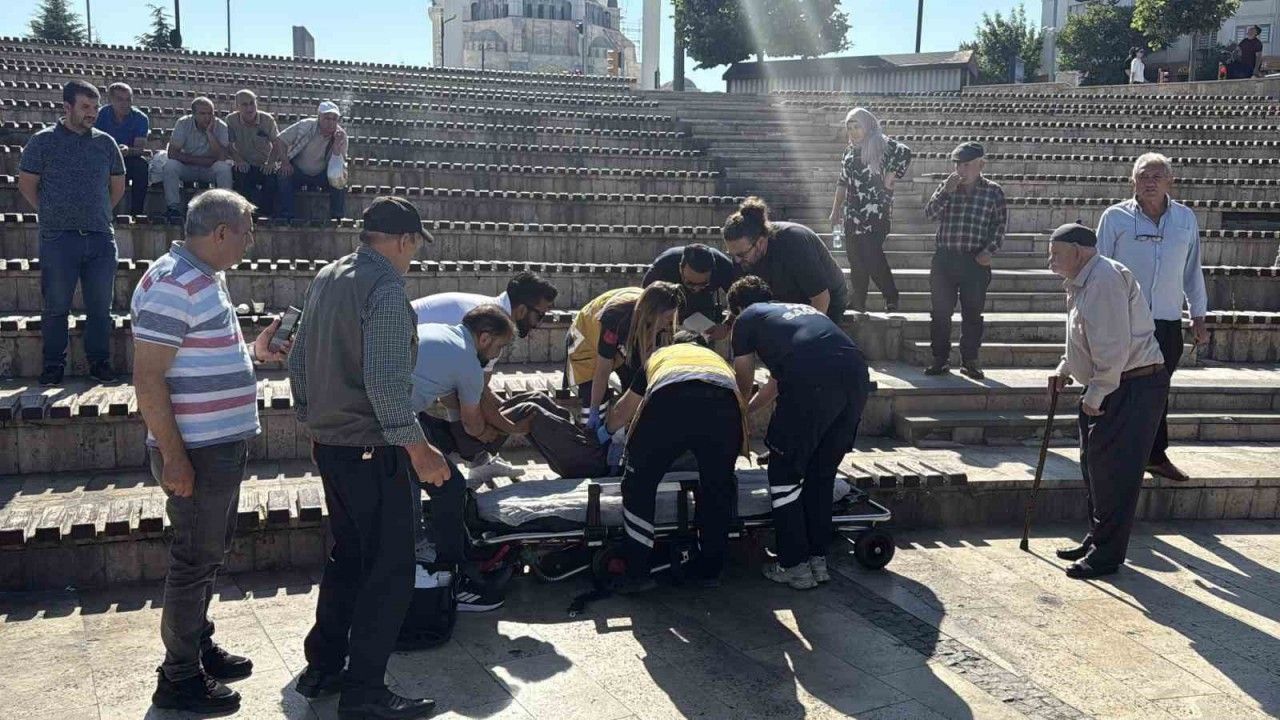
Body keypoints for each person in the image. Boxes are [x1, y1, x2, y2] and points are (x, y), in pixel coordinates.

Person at [131, 190, 291, 714]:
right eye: (246, 232)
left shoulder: (204, 277)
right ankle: (178, 677)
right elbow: (148, 378)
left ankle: (196, 646)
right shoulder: (173, 283)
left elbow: (197, 356)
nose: (250, 242)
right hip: (196, 451)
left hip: (216, 445)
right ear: (221, 232)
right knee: (194, 560)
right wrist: (174, 457)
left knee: (207, 555)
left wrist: (256, 352)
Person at [287, 196, 444, 719]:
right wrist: (419, 450)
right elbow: (385, 385)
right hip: (371, 449)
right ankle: (365, 693)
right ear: (404, 240)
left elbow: (298, 360)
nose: (413, 256)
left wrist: (313, 421)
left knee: (349, 558)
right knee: (390, 569)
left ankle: (324, 667)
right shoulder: (386, 288)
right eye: (415, 246)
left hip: (332, 445)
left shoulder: (329, 276)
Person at [727, 276, 871, 590]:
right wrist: (749, 410)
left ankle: (793, 565)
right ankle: (817, 560)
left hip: (812, 381)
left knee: (784, 473)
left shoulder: (747, 318)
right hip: (856, 376)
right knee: (821, 473)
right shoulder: (796, 312)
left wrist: (735, 415)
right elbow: (776, 383)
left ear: (737, 309)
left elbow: (743, 377)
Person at [1047, 223, 1169, 580]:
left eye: (1056, 254)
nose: (1049, 262)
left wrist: (1098, 392)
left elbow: (1114, 346)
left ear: (1078, 251)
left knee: (1114, 473)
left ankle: (1107, 555)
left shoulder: (1103, 280)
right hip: (1115, 381)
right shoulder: (1082, 279)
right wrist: (1065, 368)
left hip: (1132, 384)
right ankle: (1098, 538)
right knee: (1095, 467)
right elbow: (1082, 336)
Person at [1095, 153, 1208, 484]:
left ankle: (1155, 456)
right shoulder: (1114, 218)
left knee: (1157, 391)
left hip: (1166, 321)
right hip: (1124, 320)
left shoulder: (1185, 219)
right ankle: (1111, 453)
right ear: (1133, 181)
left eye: (1157, 176)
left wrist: (1198, 315)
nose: (1150, 182)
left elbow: (1192, 270)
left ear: (1170, 181)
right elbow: (1098, 269)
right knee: (1117, 386)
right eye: (1144, 176)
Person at [605, 333, 748, 594]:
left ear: (674, 344)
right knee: (718, 487)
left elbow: (624, 411)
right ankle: (710, 571)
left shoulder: (660, 357)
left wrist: (605, 430)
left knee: (639, 485)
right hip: (724, 407)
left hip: (670, 400)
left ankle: (637, 572)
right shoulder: (717, 361)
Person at [410, 305, 519, 612]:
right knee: (451, 486)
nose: (496, 354)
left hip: (383, 414)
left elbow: (446, 396)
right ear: (484, 338)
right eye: (498, 347)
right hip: (393, 424)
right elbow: (471, 424)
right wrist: (489, 434)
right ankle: (456, 575)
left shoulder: (440, 332)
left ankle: (442, 548)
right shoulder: (469, 363)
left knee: (430, 464)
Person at [18, 79, 125, 386]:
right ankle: (53, 364)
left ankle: (99, 362)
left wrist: (98, 213)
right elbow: (27, 183)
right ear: (67, 107)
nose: (92, 113)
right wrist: (51, 214)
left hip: (100, 237)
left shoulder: (106, 143)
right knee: (55, 307)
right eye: (85, 107)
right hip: (58, 237)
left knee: (100, 307)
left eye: (95, 107)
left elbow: (117, 186)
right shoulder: (42, 141)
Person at [411, 271, 560, 481]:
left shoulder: (489, 318)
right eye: (540, 316)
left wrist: (499, 409)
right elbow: (472, 394)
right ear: (521, 310)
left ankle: (477, 461)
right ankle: (466, 463)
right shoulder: (490, 328)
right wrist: (508, 427)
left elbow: (475, 388)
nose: (539, 324)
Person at [922, 141, 1007, 380]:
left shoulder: (993, 191)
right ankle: (940, 358)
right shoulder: (947, 187)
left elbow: (999, 225)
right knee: (940, 312)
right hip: (945, 258)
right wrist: (945, 192)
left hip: (975, 260)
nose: (961, 170)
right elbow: (929, 214)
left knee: (972, 313)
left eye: (967, 165)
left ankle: (970, 360)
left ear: (981, 165)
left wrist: (989, 251)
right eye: (957, 164)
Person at [828, 107, 913, 312]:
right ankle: (858, 301)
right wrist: (835, 210)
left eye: (857, 126)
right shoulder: (849, 152)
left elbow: (905, 152)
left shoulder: (882, 144)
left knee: (871, 254)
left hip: (876, 212)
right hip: (852, 213)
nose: (853, 131)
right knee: (855, 258)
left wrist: (891, 175)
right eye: (850, 127)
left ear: (867, 126)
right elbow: (842, 182)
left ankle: (891, 296)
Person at [567, 283, 681, 433]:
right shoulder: (615, 317)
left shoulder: (660, 325)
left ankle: (630, 434)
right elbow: (602, 369)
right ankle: (589, 435)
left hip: (631, 332)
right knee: (593, 396)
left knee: (635, 384)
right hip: (586, 338)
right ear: (652, 313)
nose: (670, 323)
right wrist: (594, 408)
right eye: (667, 318)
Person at [721, 196, 850, 325]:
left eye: (741, 255)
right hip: (784, 298)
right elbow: (739, 297)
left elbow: (821, 298)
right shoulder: (741, 255)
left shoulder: (794, 242)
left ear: (760, 242)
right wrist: (727, 325)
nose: (737, 261)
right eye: (732, 255)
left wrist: (807, 333)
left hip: (827, 299)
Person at [641, 243, 738, 338]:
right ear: (680, 268)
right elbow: (643, 300)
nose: (696, 289)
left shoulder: (723, 266)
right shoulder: (664, 265)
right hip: (669, 310)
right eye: (690, 283)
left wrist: (727, 325)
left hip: (704, 311)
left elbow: (740, 299)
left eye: (703, 284)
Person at [277, 101, 349, 220]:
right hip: (298, 170)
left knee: (339, 180)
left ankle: (337, 216)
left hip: (322, 174)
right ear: (319, 117)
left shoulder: (341, 136)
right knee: (282, 174)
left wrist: (336, 146)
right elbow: (281, 140)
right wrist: (285, 162)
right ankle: (286, 215)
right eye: (327, 118)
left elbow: (338, 166)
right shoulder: (305, 125)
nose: (331, 122)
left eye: (334, 119)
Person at [163, 97, 233, 219]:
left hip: (209, 169)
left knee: (224, 168)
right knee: (170, 165)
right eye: (202, 114)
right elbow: (172, 153)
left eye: (210, 113)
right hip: (188, 167)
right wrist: (200, 160)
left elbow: (222, 156)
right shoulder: (183, 123)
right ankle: (173, 208)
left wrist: (210, 133)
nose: (207, 117)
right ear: (194, 114)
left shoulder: (221, 126)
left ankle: (224, 210)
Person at [225, 89, 285, 217]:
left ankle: (266, 215)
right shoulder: (231, 120)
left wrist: (270, 162)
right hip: (245, 163)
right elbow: (229, 145)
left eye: (252, 103)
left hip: (263, 164)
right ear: (237, 107)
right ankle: (244, 214)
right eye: (244, 104)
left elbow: (277, 143)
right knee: (240, 177)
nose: (249, 108)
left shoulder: (267, 120)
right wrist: (238, 160)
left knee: (272, 180)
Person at [94, 82, 150, 215]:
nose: (125, 104)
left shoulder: (140, 118)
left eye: (128, 99)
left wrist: (128, 150)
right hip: (104, 158)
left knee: (142, 166)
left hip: (127, 158)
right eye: (120, 99)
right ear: (110, 100)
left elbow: (139, 149)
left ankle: (137, 213)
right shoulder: (99, 115)